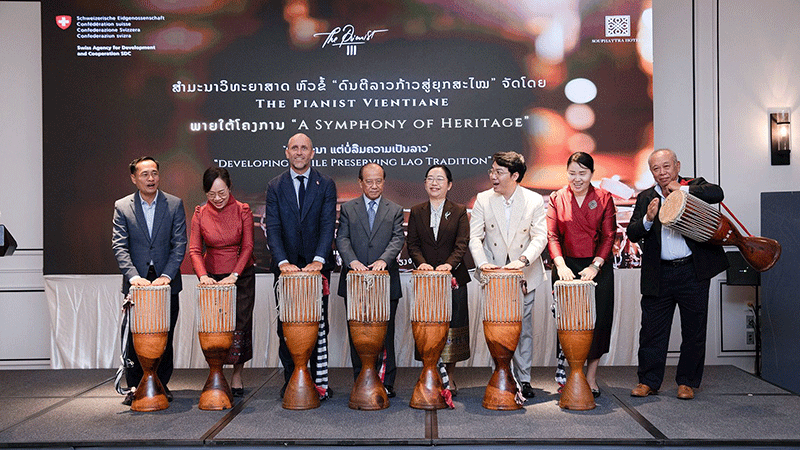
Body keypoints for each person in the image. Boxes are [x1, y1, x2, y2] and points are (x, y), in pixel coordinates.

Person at [627, 148, 728, 400]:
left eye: (666, 166)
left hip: (692, 271)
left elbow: (717, 193)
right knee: (652, 331)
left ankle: (687, 382)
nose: (662, 173)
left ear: (677, 166)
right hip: (658, 274)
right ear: (651, 172)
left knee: (694, 329)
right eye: (656, 169)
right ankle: (648, 381)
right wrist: (648, 218)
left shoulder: (693, 185)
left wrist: (682, 189)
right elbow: (632, 233)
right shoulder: (646, 197)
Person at [469, 151, 547, 400]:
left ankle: (524, 379)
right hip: (493, 275)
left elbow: (540, 237)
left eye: (499, 172)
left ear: (514, 176)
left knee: (523, 328)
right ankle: (501, 375)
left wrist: (522, 261)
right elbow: (475, 237)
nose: (493, 176)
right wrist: (483, 264)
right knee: (496, 327)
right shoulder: (483, 199)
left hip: (524, 273)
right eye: (492, 171)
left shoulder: (534, 200)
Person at [265, 133, 337, 399]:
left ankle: (317, 382)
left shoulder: (325, 184)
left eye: (304, 148)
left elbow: (328, 225)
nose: (299, 152)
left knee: (318, 325)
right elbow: (273, 227)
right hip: (286, 270)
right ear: (287, 152)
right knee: (286, 325)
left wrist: (319, 259)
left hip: (317, 269)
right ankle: (291, 382)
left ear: (312, 153)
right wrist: (283, 262)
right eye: (294, 148)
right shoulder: (275, 186)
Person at [112, 156, 187, 405]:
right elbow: (120, 246)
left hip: (166, 282)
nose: (151, 178)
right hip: (137, 284)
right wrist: (134, 278)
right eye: (144, 174)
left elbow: (179, 245)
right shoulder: (122, 206)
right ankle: (135, 386)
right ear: (134, 178)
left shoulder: (174, 204)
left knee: (165, 334)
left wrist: (167, 276)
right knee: (135, 336)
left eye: (154, 173)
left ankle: (161, 385)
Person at [546, 152, 617, 398]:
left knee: (598, 322)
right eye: (572, 173)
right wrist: (560, 265)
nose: (577, 179)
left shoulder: (604, 198)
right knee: (568, 322)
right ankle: (572, 373)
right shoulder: (557, 198)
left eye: (582, 173)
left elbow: (609, 236)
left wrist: (595, 266)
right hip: (565, 267)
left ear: (592, 174)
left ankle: (591, 377)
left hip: (597, 267)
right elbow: (552, 236)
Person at [336, 163, 405, 398]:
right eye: (369, 181)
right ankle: (361, 379)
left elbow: (397, 239)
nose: (374, 186)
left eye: (378, 181)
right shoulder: (348, 208)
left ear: (384, 182)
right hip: (355, 281)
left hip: (385, 281)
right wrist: (352, 261)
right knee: (358, 334)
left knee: (386, 334)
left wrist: (384, 260)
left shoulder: (395, 209)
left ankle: (386, 381)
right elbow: (342, 238)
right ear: (360, 183)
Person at [189, 167, 255, 397]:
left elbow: (247, 247)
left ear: (229, 188)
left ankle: (237, 375)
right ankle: (215, 372)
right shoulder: (200, 213)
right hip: (212, 278)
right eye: (211, 194)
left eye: (222, 193)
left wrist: (234, 275)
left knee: (240, 326)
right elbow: (195, 250)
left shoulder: (242, 210)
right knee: (214, 327)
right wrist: (203, 276)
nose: (217, 199)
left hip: (240, 276)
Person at [406, 164, 471, 394]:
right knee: (427, 328)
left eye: (440, 179)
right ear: (425, 183)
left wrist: (448, 265)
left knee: (453, 329)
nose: (434, 183)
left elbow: (461, 244)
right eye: (430, 178)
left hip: (453, 279)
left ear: (449, 185)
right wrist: (421, 263)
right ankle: (429, 374)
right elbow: (412, 244)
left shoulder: (459, 211)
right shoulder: (417, 211)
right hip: (426, 280)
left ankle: (450, 377)